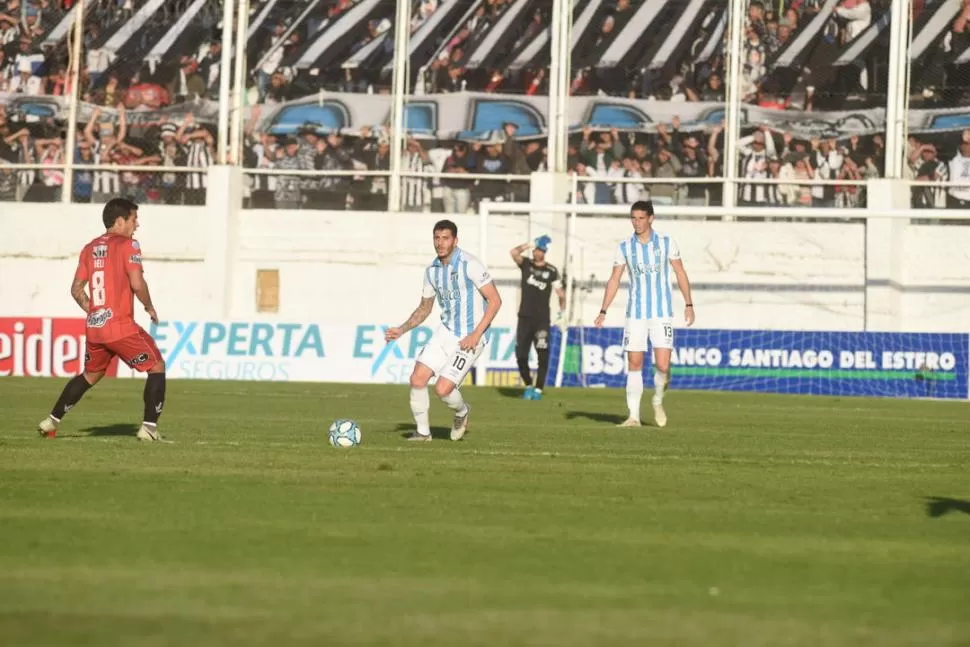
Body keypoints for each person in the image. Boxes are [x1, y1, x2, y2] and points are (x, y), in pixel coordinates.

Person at [37, 198, 168, 442]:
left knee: (91, 374)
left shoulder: (89, 247)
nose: (136, 225)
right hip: (121, 327)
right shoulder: (129, 245)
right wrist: (149, 306)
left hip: (96, 330)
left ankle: (50, 421)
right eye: (133, 219)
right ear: (120, 220)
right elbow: (137, 283)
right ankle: (149, 428)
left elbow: (77, 289)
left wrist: (96, 312)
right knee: (156, 366)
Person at [384, 220, 502, 442]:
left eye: (445, 238)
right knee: (417, 379)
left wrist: (476, 335)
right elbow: (425, 308)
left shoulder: (470, 264)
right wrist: (401, 329)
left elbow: (495, 300)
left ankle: (462, 412)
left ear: (455, 241)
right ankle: (423, 433)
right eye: (437, 238)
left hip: (471, 336)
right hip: (445, 332)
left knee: (442, 390)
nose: (440, 243)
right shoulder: (432, 271)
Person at [594, 200, 695, 428]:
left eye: (641, 218)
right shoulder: (624, 247)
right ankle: (633, 417)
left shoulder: (667, 243)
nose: (636, 222)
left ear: (651, 218)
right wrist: (603, 310)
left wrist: (689, 304)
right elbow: (614, 280)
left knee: (662, 366)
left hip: (661, 314)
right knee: (635, 362)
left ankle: (658, 399)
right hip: (636, 314)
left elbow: (680, 272)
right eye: (633, 218)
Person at [510, 234, 566, 400]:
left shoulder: (552, 271)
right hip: (524, 317)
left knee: (543, 354)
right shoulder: (526, 265)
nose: (536, 252)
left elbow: (561, 294)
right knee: (521, 353)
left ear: (545, 251)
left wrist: (562, 313)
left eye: (539, 249)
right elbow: (513, 252)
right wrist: (529, 243)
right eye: (535, 249)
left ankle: (539, 389)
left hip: (542, 319)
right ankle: (528, 384)